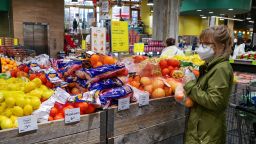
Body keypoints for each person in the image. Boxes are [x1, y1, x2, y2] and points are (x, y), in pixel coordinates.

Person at [183, 25, 233, 144]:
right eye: (201, 43)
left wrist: (190, 85)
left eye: (206, 44)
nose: (201, 48)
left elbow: (215, 101)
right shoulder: (209, 66)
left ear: (221, 46)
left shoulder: (221, 69)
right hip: (201, 130)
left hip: (206, 135)